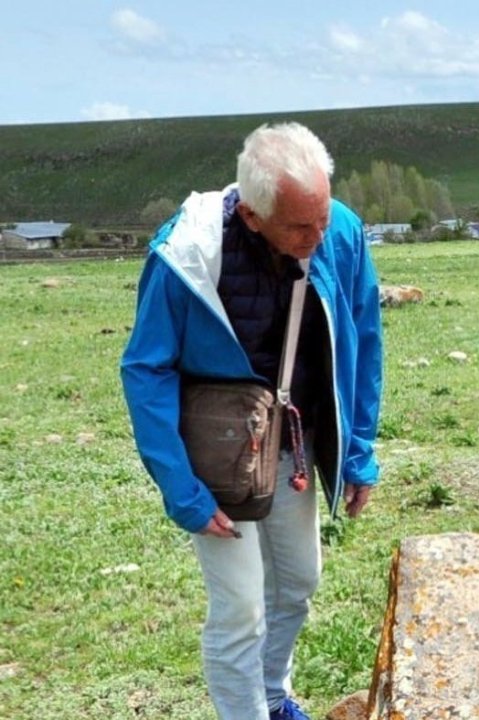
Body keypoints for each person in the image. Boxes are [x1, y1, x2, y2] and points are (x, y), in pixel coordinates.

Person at [120, 122, 383, 720]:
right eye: (300, 226)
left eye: (322, 216)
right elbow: (146, 369)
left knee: (298, 583)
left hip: (292, 442)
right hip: (216, 457)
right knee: (241, 608)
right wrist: (181, 489)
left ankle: (271, 694)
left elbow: (363, 335)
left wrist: (359, 446)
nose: (319, 236)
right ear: (253, 215)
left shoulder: (337, 228)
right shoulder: (187, 255)